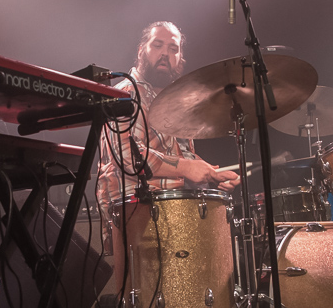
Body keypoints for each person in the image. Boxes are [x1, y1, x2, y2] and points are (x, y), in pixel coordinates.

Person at [96, 21, 239, 286]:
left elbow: (180, 157)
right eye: (157, 45)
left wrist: (209, 174)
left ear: (180, 60)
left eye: (173, 49)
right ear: (142, 50)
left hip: (174, 215)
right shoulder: (126, 94)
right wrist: (185, 169)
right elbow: (127, 156)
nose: (165, 53)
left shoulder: (174, 104)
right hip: (136, 220)